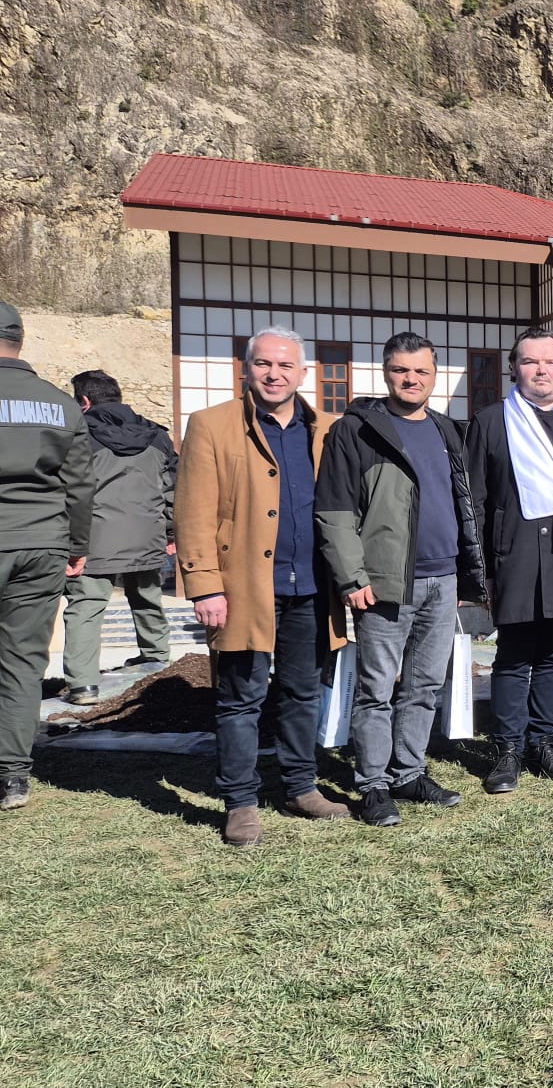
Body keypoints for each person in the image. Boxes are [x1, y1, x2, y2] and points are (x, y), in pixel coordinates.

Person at [178, 328, 349, 845]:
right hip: (243, 587)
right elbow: (193, 512)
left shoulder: (326, 429)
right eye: (263, 364)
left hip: (312, 586)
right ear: (246, 368)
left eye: (285, 366)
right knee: (240, 698)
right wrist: (205, 585)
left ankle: (301, 786)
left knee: (303, 693)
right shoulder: (212, 425)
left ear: (303, 374)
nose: (274, 375)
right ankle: (240, 801)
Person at [317, 331, 487, 827]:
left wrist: (465, 575)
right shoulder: (357, 431)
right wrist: (352, 577)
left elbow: (463, 504)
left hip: (443, 579)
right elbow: (335, 510)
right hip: (383, 582)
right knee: (376, 689)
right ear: (386, 372)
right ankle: (372, 784)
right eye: (401, 370)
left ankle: (409, 772)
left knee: (425, 685)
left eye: (421, 371)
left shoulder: (446, 430)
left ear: (434, 376)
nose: (411, 379)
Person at [463, 331, 553, 793]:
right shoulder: (490, 421)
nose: (541, 370)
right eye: (530, 361)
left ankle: (544, 742)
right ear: (513, 369)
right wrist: (479, 569)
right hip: (514, 551)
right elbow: (475, 500)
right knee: (513, 654)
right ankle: (508, 749)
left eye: (551, 362)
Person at [0, 301, 93, 812]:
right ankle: (12, 776)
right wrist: (77, 546)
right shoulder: (61, 404)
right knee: (22, 660)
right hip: (42, 543)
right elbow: (80, 485)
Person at [61, 370, 177, 706]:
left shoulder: (77, 435)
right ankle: (156, 659)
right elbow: (174, 488)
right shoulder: (157, 435)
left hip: (94, 539)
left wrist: (69, 540)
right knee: (147, 596)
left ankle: (83, 685)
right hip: (148, 534)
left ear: (84, 401)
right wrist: (171, 531)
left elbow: (70, 491)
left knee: (85, 607)